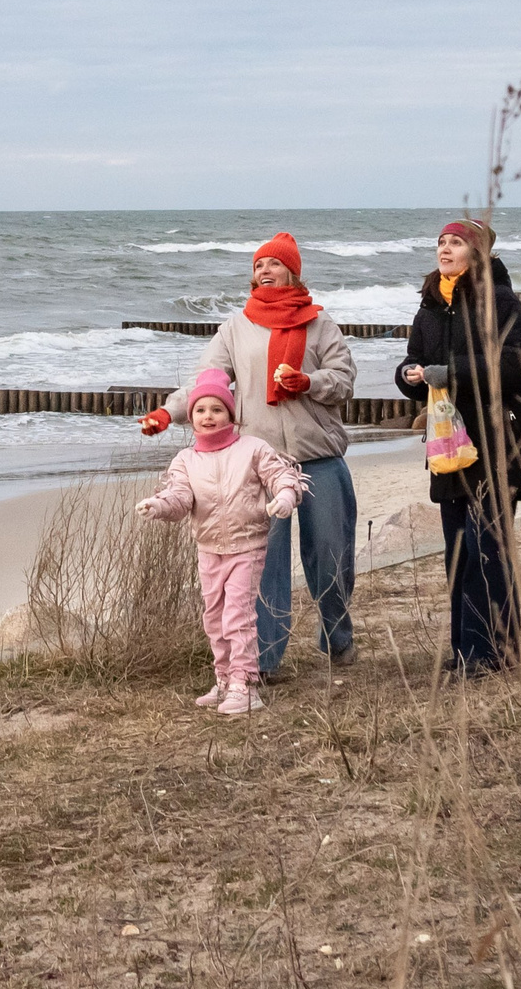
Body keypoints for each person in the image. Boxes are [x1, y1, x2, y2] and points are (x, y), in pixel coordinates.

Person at [142, 231, 358, 678]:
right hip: (259, 465)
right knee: (264, 567)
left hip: (320, 457)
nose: (264, 271)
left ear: (292, 271)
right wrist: (168, 411)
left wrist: (309, 382)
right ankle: (263, 660)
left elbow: (344, 380)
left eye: (273, 264)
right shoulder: (236, 328)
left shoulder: (320, 325)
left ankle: (337, 639)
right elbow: (208, 385)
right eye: (258, 265)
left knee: (331, 557)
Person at [396, 218, 521, 676]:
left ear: (477, 254)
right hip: (448, 447)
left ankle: (494, 653)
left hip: (498, 442)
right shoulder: (430, 306)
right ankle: (466, 651)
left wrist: (449, 372)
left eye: (456, 243)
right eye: (441, 241)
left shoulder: (498, 299)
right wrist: (408, 376)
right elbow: (414, 360)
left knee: (488, 549)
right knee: (458, 551)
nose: (445, 248)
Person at [135, 370, 307, 715]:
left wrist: (286, 496)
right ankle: (225, 678)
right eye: (200, 411)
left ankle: (245, 686)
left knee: (237, 615)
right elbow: (180, 496)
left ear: (232, 414)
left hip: (247, 545)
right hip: (209, 547)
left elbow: (281, 475)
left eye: (217, 409)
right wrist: (159, 505)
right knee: (214, 618)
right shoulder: (186, 459)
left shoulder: (252, 448)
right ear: (192, 417)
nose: (208, 416)